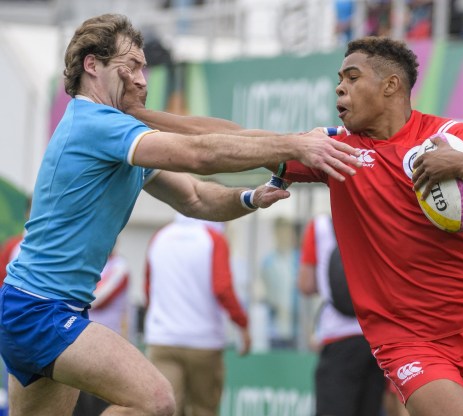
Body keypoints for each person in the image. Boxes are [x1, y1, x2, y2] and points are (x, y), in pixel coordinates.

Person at [0, 13, 360, 416]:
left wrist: (249, 198)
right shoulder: (95, 122)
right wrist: (296, 146)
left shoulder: (118, 131)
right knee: (157, 402)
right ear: (92, 65)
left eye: (144, 68)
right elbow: (198, 153)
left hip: (34, 308)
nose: (142, 79)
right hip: (42, 310)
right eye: (131, 66)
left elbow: (194, 197)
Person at [268, 36, 463, 416]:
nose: (339, 86)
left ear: (390, 86)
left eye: (352, 76)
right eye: (339, 79)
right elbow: (239, 143)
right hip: (409, 341)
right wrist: (158, 127)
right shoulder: (338, 151)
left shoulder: (452, 138)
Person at [144, 214, 249, 416]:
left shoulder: (160, 237)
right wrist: (242, 324)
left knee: (167, 409)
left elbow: (149, 288)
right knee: (204, 409)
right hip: (204, 343)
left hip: (163, 339)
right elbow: (223, 289)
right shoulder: (213, 239)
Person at [298, 214, 385, 416]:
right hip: (376, 338)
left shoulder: (319, 227)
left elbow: (306, 284)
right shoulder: (376, 219)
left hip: (338, 337)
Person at [73, 249, 132, 416]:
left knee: (100, 405)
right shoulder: (83, 262)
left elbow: (97, 298)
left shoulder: (119, 266)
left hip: (108, 348)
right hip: (79, 345)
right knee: (77, 405)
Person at [260, 216, 300, 349]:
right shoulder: (269, 261)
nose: (283, 236)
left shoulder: (299, 259)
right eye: (280, 232)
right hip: (275, 328)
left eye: (286, 232)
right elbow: (266, 291)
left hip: (297, 327)